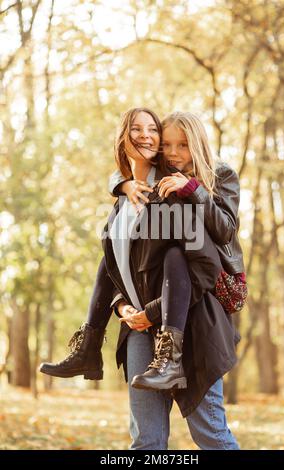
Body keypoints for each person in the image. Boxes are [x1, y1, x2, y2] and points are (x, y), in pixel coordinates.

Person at [40, 107, 241, 449]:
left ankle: (160, 351)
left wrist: (192, 188)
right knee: (145, 439)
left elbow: (207, 259)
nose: (172, 152)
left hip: (191, 322)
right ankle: (89, 345)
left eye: (182, 145)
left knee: (210, 433)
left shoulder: (187, 188)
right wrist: (121, 308)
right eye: (169, 145)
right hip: (138, 328)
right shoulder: (132, 195)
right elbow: (123, 266)